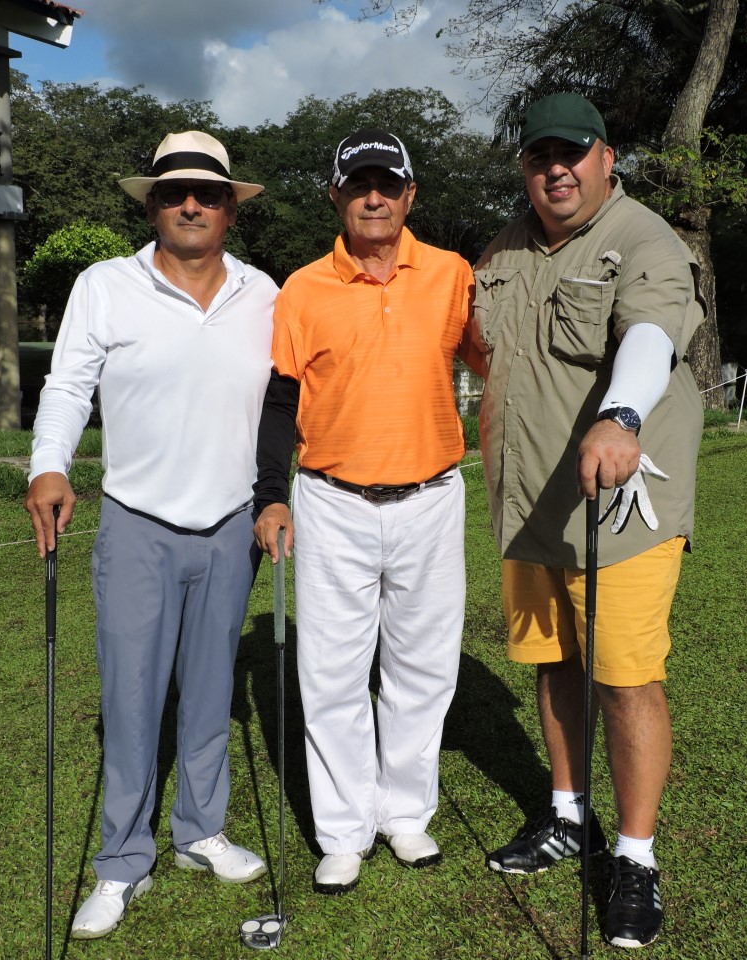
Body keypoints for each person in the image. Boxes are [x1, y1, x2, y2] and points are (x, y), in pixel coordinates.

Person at [24, 131, 276, 940]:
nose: (192, 204)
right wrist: (48, 466)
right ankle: (120, 860)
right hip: (137, 523)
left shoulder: (264, 293)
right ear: (153, 204)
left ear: (231, 207)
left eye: (208, 193)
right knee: (130, 700)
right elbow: (67, 385)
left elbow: (288, 402)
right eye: (175, 193)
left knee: (209, 692)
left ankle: (200, 831)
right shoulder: (105, 285)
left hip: (230, 524)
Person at [472, 93, 705, 949]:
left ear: (608, 157)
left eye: (572, 153)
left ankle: (636, 859)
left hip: (621, 510)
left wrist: (624, 417)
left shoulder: (643, 239)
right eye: (539, 157)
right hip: (529, 509)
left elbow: (649, 334)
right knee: (553, 662)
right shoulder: (502, 248)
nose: (555, 170)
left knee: (625, 678)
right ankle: (569, 815)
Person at [253, 128, 480, 895]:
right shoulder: (303, 287)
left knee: (422, 665)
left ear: (411, 195)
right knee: (333, 671)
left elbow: (498, 361)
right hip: (332, 500)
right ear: (337, 197)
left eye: (388, 184)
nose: (374, 197)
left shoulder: (453, 275)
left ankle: (406, 815)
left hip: (430, 496)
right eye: (359, 185)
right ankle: (345, 829)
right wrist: (271, 493)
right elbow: (282, 400)